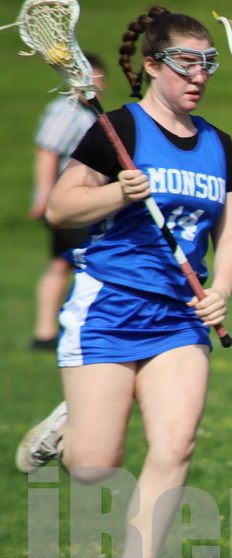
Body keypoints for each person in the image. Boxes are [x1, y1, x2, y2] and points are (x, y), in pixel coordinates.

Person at [14, 6, 232, 558]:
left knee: (176, 443)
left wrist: (221, 290)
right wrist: (118, 191)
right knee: (95, 467)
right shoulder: (119, 129)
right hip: (109, 306)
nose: (199, 75)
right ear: (153, 65)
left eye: (208, 63)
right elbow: (61, 207)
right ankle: (70, 426)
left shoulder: (218, 144)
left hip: (180, 317)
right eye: (186, 63)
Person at [27, 54, 108, 351]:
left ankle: (45, 333)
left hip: (75, 203)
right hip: (69, 203)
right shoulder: (67, 111)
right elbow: (47, 152)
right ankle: (71, 328)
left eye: (98, 80)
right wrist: (45, 197)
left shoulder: (88, 114)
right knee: (89, 261)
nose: (94, 86)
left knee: (60, 264)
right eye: (88, 79)